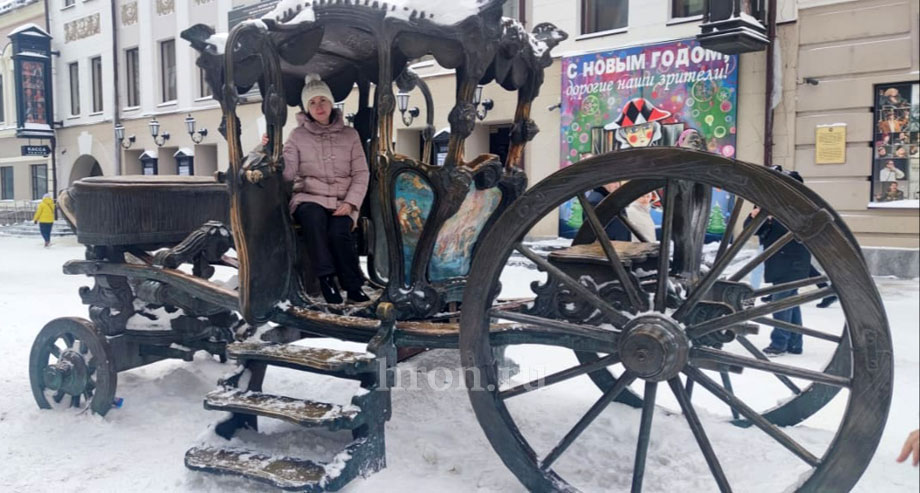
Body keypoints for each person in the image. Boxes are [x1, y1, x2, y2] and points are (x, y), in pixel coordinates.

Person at [282, 74, 370, 304]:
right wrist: (267, 150)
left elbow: (361, 172)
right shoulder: (297, 136)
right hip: (310, 196)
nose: (318, 107)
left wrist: (351, 203)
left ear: (331, 103)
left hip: (344, 200)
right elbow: (288, 173)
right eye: (312, 102)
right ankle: (326, 280)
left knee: (339, 232)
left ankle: (352, 286)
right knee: (313, 218)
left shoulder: (350, 135)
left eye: (322, 100)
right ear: (307, 108)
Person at [745, 168, 811, 356]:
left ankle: (779, 344)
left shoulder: (800, 206)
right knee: (791, 303)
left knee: (780, 303)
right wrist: (754, 217)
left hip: (792, 260)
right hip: (777, 262)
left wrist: (772, 219)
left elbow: (798, 231)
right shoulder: (770, 204)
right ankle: (795, 343)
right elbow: (750, 230)